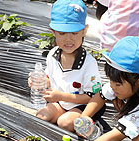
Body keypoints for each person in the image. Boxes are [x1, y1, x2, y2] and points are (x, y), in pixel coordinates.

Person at [28, 0, 103, 132]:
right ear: (53, 32)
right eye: (62, 33)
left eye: (74, 33)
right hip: (60, 103)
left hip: (81, 105)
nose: (68, 39)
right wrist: (38, 81)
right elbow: (50, 79)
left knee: (65, 123)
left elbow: (92, 97)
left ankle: (92, 124)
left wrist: (61, 96)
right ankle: (64, 115)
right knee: (41, 115)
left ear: (84, 31)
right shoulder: (52, 55)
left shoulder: (88, 63)